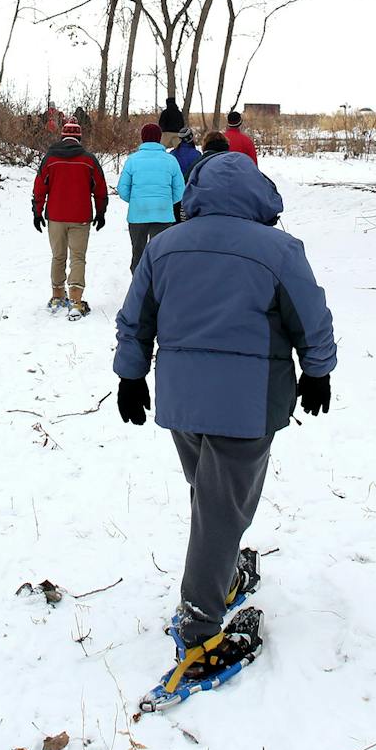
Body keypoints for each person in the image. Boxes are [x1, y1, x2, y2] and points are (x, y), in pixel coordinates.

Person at [113, 150, 336, 705]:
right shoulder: (280, 250)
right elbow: (311, 316)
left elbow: (135, 318)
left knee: (210, 496)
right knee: (221, 505)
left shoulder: (164, 245)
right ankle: (199, 627)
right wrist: (318, 369)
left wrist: (131, 376)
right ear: (260, 195)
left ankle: (223, 570)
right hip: (247, 404)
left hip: (183, 400)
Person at [32, 120, 108, 315]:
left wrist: (37, 212)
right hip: (80, 217)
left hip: (55, 217)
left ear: (62, 136)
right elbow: (100, 189)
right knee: (77, 257)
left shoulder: (50, 159)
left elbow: (40, 187)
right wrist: (100, 212)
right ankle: (75, 299)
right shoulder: (89, 160)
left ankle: (57, 295)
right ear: (80, 138)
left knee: (58, 256)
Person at [115, 123, 186, 270]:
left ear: (142, 138)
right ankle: (158, 288)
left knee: (138, 255)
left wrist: (135, 200)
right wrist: (166, 201)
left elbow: (122, 189)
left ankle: (139, 287)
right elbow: (180, 190)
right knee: (161, 255)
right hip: (163, 214)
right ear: (159, 138)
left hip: (138, 214)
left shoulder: (132, 160)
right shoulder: (170, 160)